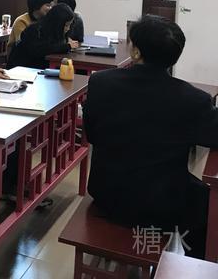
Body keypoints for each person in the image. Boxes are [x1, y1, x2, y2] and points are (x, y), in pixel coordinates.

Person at [84, 15, 218, 260]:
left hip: (106, 192)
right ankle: (195, 266)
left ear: (136, 51)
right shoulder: (193, 100)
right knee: (207, 203)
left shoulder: (101, 82)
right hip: (160, 204)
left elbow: (91, 135)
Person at [7, 3, 74, 69]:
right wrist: (66, 46)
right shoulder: (35, 30)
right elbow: (41, 50)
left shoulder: (54, 32)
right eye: (66, 25)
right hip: (21, 68)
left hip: (37, 68)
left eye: (69, 25)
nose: (68, 28)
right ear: (57, 23)